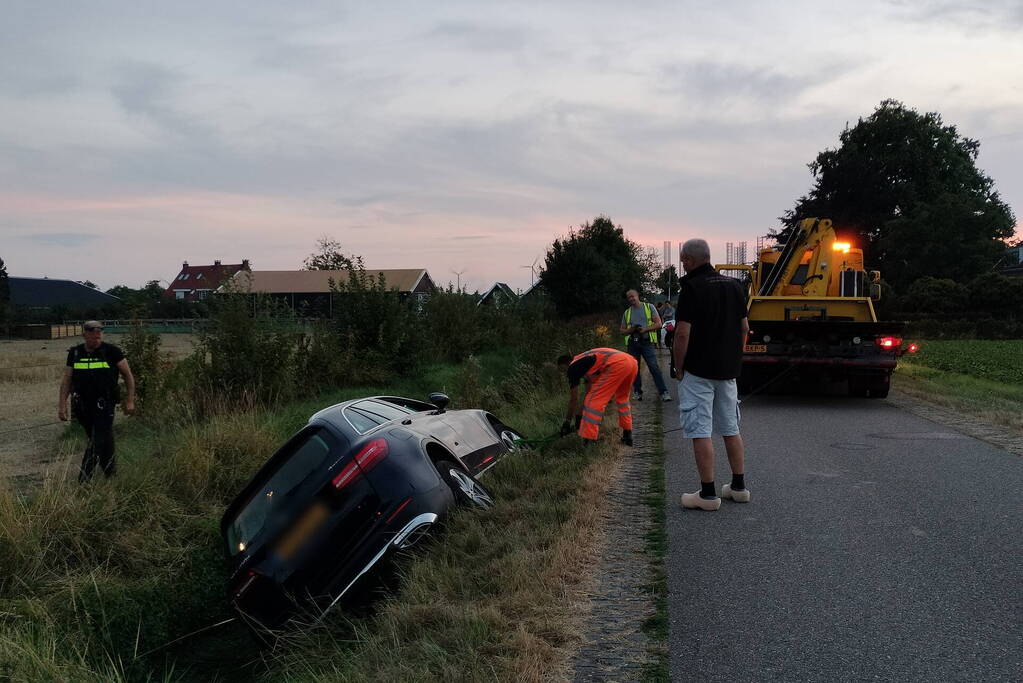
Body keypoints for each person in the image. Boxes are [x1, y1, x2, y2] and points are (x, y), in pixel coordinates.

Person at [671, 239, 750, 511]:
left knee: (700, 429)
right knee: (731, 427)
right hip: (728, 371)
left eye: (683, 261)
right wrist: (735, 356)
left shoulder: (692, 288)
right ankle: (738, 487)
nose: (683, 265)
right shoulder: (735, 286)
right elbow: (744, 328)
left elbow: (682, 333)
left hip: (698, 370)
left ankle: (707, 495)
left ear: (690, 260)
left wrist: (679, 367)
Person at [58, 321, 136, 482]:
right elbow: (67, 380)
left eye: (100, 332)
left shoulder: (112, 351)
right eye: (93, 332)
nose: (97, 335)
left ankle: (84, 481)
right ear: (84, 334)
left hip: (104, 404)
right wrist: (62, 405)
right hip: (83, 406)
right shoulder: (75, 353)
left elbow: (128, 375)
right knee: (103, 440)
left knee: (97, 440)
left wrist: (130, 400)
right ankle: (111, 474)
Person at [557, 348, 639, 446]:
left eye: (563, 369)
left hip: (617, 364)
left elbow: (574, 399)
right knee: (622, 400)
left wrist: (567, 422)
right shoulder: (584, 362)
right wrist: (579, 415)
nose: (565, 373)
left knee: (593, 401)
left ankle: (589, 439)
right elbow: (589, 392)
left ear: (567, 363)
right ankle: (627, 435)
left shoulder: (573, 368)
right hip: (631, 362)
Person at [620, 289, 671, 402]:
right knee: (634, 369)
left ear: (638, 295)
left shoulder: (649, 307)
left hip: (646, 342)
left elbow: (659, 324)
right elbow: (622, 331)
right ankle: (637, 392)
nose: (631, 299)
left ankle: (664, 392)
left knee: (654, 367)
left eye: (633, 296)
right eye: (629, 297)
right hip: (632, 343)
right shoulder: (627, 312)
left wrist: (645, 329)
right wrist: (632, 329)